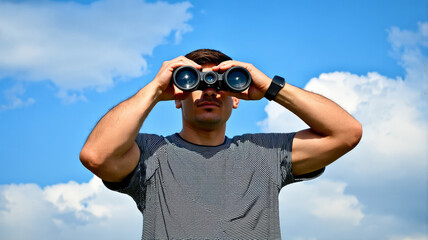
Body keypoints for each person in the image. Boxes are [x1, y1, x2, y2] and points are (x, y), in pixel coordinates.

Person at [80, 49, 362, 239]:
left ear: (236, 97)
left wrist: (269, 88)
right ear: (178, 97)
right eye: (196, 82)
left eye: (223, 84)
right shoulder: (151, 154)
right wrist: (154, 89)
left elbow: (346, 133)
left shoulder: (265, 154)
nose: (210, 90)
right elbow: (96, 156)